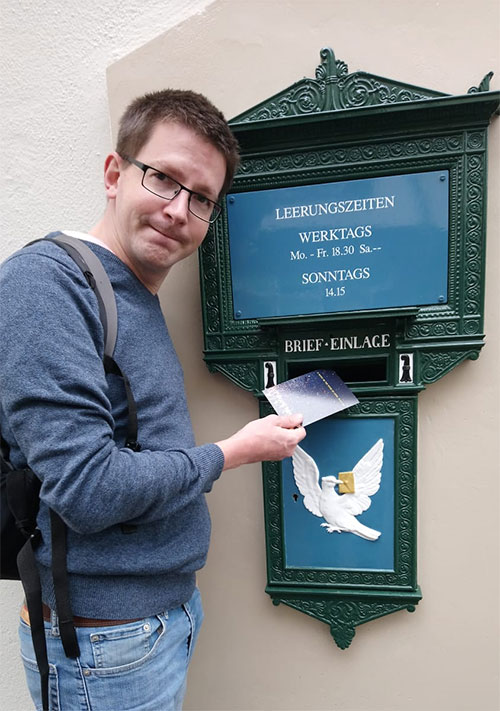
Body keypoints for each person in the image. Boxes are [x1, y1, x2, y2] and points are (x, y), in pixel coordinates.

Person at [0, 89, 306, 711]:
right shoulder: (47, 286)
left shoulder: (133, 291)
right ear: (115, 173)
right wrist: (233, 452)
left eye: (201, 198)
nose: (178, 211)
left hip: (161, 617)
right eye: (163, 179)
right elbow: (89, 489)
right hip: (104, 644)